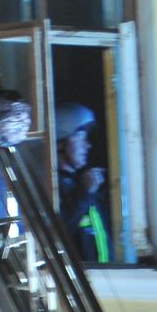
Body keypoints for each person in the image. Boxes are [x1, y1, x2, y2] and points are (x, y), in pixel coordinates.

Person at [56, 103, 112, 264]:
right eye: (81, 138)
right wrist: (84, 193)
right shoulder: (52, 187)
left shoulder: (83, 185)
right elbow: (59, 233)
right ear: (60, 142)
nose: (88, 145)